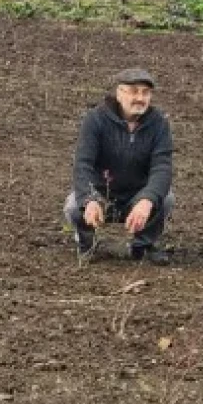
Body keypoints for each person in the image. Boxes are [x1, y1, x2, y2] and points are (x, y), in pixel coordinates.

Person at [64, 68, 174, 264]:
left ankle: (143, 246)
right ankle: (87, 243)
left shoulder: (159, 124)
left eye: (145, 93)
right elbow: (83, 164)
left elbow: (162, 167)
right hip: (102, 193)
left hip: (137, 194)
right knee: (74, 205)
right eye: (134, 91)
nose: (140, 98)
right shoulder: (95, 119)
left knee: (165, 199)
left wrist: (147, 199)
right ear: (119, 93)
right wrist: (90, 199)